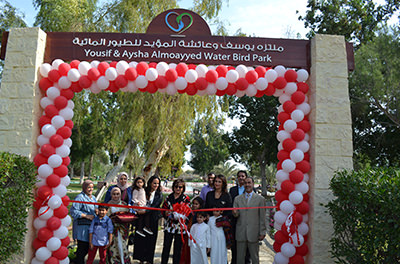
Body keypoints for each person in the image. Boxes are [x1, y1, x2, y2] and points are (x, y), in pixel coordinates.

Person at [232, 177, 267, 264]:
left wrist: (262, 231)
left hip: (254, 232)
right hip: (241, 232)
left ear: (253, 184)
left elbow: (262, 217)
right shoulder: (237, 199)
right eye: (245, 183)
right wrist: (235, 212)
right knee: (239, 258)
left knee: (255, 257)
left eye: (249, 183)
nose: (247, 185)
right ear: (243, 185)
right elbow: (235, 215)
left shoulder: (260, 199)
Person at [133, 175, 163, 264]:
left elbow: (154, 206)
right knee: (141, 239)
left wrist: (144, 212)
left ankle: (149, 260)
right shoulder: (143, 191)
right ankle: (141, 259)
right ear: (150, 183)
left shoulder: (159, 195)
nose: (156, 185)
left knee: (151, 240)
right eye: (154, 183)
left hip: (152, 220)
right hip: (141, 220)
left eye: (158, 183)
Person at [161, 179, 191, 264]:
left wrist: (180, 214)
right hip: (169, 226)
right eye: (176, 187)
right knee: (166, 247)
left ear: (183, 188)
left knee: (178, 249)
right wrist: (165, 212)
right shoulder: (168, 197)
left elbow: (188, 212)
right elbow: (163, 209)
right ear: (173, 187)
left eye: (180, 187)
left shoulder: (186, 198)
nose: (178, 188)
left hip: (180, 227)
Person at [70, 180, 98, 264]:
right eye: (89, 187)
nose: (91, 189)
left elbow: (95, 208)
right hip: (82, 228)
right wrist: (86, 216)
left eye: (92, 187)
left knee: (87, 248)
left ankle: (76, 261)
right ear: (84, 188)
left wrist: (96, 211)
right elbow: (73, 211)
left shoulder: (93, 198)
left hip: (91, 227)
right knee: (82, 249)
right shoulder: (80, 197)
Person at [229, 170, 251, 264]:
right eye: (239, 176)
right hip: (235, 221)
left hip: (247, 222)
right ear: (237, 178)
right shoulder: (232, 190)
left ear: (246, 177)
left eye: (243, 176)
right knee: (235, 245)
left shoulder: (251, 190)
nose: (241, 178)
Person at [107, 187, 132, 264]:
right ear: (111, 195)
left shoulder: (124, 204)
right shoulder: (108, 204)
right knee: (113, 247)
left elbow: (128, 216)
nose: (116, 196)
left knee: (122, 246)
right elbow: (106, 217)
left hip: (123, 230)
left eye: (117, 194)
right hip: (112, 230)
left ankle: (124, 261)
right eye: (114, 194)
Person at [180, 196, 204, 264]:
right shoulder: (190, 212)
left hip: (196, 236)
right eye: (193, 203)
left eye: (196, 204)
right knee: (186, 252)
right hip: (188, 234)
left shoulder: (201, 215)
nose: (194, 205)